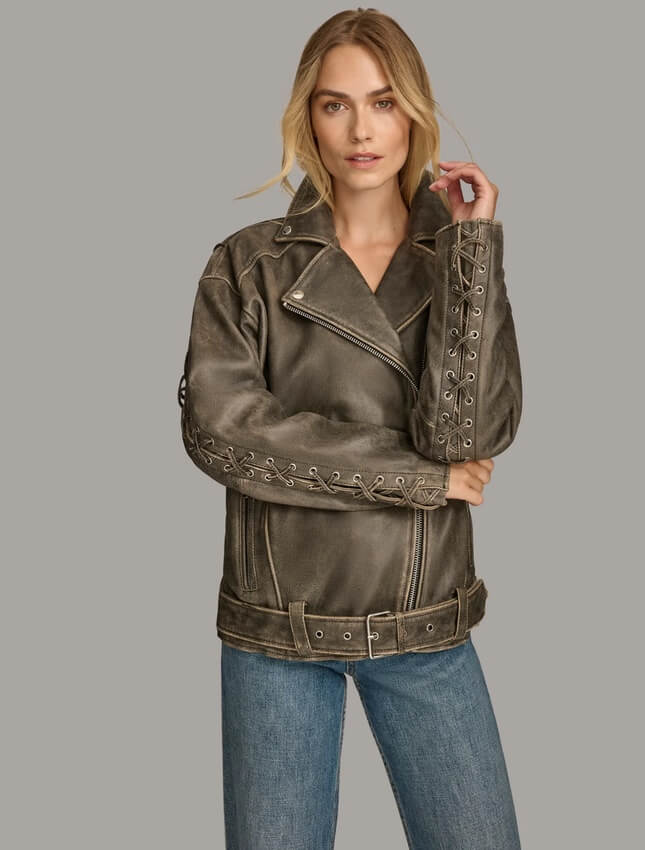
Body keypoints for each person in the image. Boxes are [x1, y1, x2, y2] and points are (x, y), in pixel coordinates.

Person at [178, 8, 523, 849]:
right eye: (336, 105)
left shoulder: (455, 259)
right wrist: (418, 481)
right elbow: (225, 432)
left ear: (414, 111)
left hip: (424, 622)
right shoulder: (247, 264)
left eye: (383, 102)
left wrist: (473, 251)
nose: (362, 131)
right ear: (308, 116)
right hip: (276, 631)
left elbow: (465, 437)